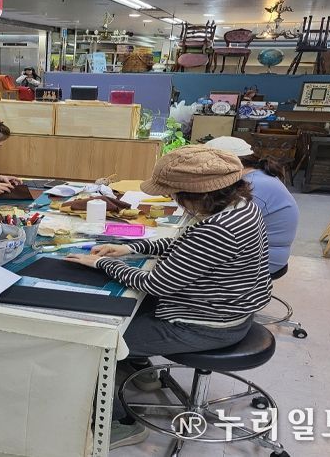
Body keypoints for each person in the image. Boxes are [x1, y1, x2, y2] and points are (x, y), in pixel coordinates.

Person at [65, 145, 272, 449]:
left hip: (205, 325)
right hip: (227, 309)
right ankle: (139, 367)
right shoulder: (238, 206)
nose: (173, 200)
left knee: (91, 343)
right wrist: (131, 247)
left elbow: (156, 284)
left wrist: (102, 263)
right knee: (128, 309)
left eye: (174, 195)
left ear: (196, 194)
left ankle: (120, 424)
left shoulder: (218, 229)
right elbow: (187, 246)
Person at [205, 136, 299, 274]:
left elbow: (224, 226)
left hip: (265, 259)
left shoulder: (253, 185)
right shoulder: (255, 175)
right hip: (261, 250)